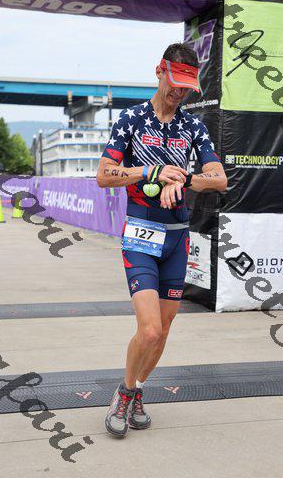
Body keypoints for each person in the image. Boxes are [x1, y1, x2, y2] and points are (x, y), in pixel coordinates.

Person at [97, 42, 227, 438]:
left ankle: (137, 390)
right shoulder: (131, 119)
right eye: (175, 83)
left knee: (164, 330)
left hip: (177, 239)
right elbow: (104, 175)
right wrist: (150, 172)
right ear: (159, 71)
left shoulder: (193, 126)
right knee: (150, 329)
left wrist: (183, 179)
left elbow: (219, 179)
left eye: (187, 87)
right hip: (140, 236)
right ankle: (124, 393)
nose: (180, 92)